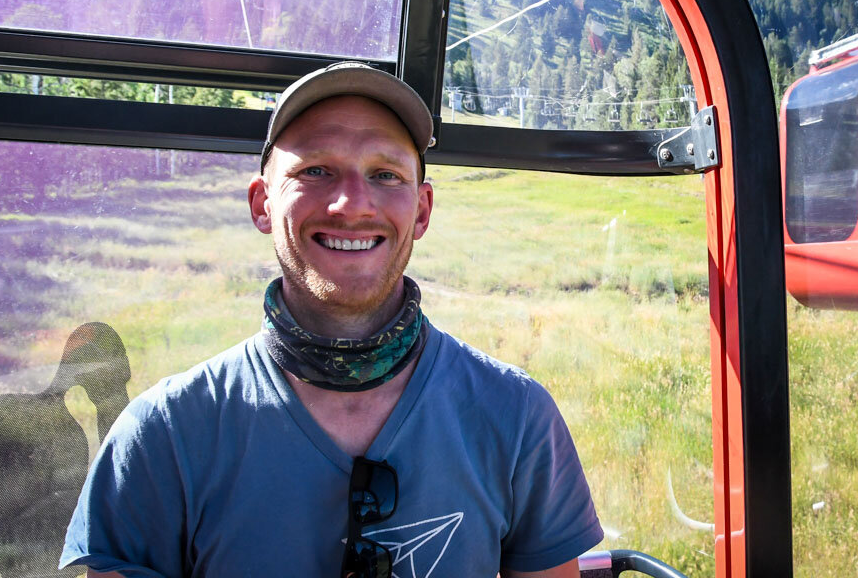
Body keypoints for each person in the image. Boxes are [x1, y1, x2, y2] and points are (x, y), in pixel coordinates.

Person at [61, 62, 602, 578]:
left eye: (385, 174)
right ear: (262, 204)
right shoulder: (162, 437)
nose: (351, 203)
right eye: (315, 170)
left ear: (421, 211)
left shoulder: (517, 417)